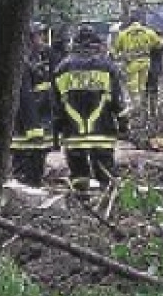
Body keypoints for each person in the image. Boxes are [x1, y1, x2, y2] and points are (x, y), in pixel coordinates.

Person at [53, 29, 130, 192]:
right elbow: (118, 100)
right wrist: (123, 124)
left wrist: (55, 131)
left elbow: (56, 105)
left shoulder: (62, 68)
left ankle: (82, 206)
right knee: (106, 175)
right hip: (102, 132)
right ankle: (107, 207)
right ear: (97, 45)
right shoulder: (107, 67)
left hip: (73, 134)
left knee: (79, 175)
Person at [10, 22, 56, 186]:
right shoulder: (21, 61)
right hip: (26, 124)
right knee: (24, 161)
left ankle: (33, 187)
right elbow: (25, 96)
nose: (42, 38)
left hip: (41, 119)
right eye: (38, 35)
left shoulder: (41, 57)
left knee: (38, 159)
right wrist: (33, 128)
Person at [111, 11, 163, 115]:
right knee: (147, 88)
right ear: (140, 21)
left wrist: (121, 57)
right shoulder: (149, 32)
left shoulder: (123, 34)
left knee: (134, 88)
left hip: (132, 64)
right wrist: (162, 40)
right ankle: (148, 111)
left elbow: (114, 51)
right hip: (147, 64)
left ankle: (138, 110)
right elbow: (160, 44)